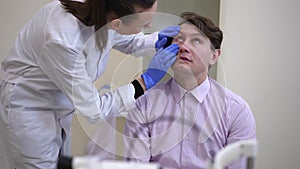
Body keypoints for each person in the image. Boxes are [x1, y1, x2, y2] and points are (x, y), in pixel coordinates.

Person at [0, 0, 181, 168]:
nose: (149, 27)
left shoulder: (107, 8)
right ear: (116, 22)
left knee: (59, 162)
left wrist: (155, 41)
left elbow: (126, 39)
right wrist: (143, 83)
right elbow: (94, 110)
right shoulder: (64, 39)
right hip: (29, 105)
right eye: (144, 24)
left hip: (60, 102)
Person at [123, 12, 256, 169]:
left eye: (196, 41)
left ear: (214, 55)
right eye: (179, 39)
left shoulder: (236, 111)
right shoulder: (144, 105)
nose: (184, 47)